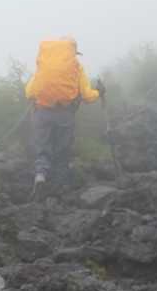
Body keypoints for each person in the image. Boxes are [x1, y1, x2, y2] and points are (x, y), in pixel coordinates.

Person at [24, 36, 104, 196]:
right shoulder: (76, 67)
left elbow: (29, 92)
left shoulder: (44, 65)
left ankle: (40, 175)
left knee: (42, 148)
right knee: (62, 151)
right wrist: (99, 92)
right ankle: (61, 188)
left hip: (42, 113)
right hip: (65, 114)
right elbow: (87, 96)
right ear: (73, 52)